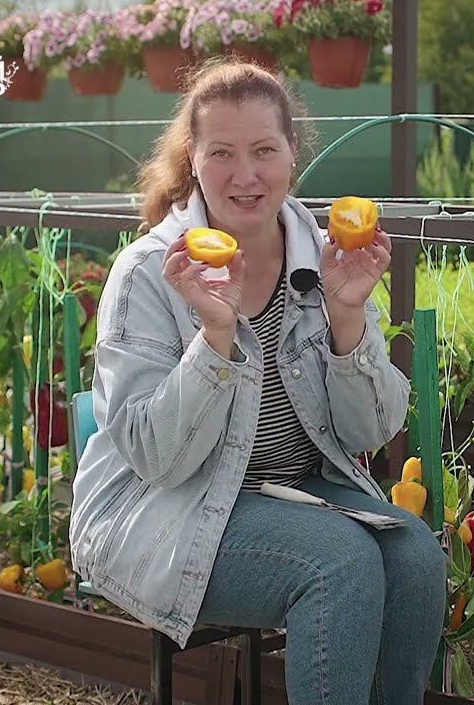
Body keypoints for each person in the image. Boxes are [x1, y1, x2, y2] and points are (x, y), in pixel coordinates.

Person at [69, 58, 446, 705]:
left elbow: (369, 431)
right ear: (193, 160)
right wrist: (215, 339)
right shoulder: (149, 274)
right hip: (168, 509)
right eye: (222, 153)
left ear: (292, 155)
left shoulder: (327, 259)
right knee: (338, 562)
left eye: (264, 150)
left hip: (289, 495)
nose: (246, 176)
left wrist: (348, 317)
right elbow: (156, 459)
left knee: (414, 555)